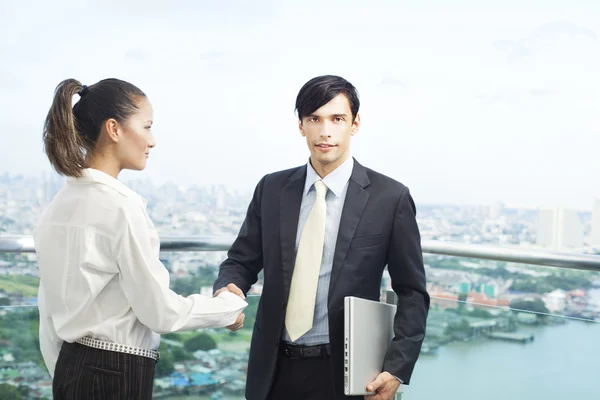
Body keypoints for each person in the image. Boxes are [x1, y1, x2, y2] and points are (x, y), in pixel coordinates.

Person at [213, 75, 430, 400]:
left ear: (354, 124)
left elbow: (412, 292)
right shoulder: (271, 189)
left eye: (337, 119)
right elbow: (241, 260)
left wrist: (397, 367)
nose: (325, 131)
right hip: (273, 371)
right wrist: (227, 288)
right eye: (314, 118)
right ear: (301, 125)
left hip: (347, 374)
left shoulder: (390, 198)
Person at [34, 78, 247, 400]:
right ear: (114, 129)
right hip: (117, 372)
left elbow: (48, 309)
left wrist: (65, 373)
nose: (152, 140)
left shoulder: (57, 206)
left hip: (69, 367)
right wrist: (227, 308)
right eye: (146, 127)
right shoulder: (121, 209)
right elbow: (159, 312)